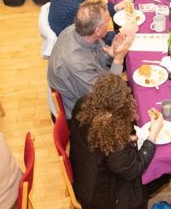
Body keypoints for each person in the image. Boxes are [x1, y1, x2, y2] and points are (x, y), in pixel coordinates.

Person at [69, 74, 162, 209]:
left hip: (84, 176)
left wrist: (129, 138)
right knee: (154, 171)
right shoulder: (111, 137)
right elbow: (135, 168)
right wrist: (153, 134)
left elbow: (104, 149)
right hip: (101, 199)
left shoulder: (82, 104)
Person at [47, 0, 134, 117]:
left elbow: (98, 59)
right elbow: (106, 97)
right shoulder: (76, 62)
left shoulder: (82, 30)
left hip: (94, 83)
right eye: (107, 21)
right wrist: (118, 59)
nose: (109, 25)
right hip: (84, 109)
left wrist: (111, 54)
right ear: (97, 30)